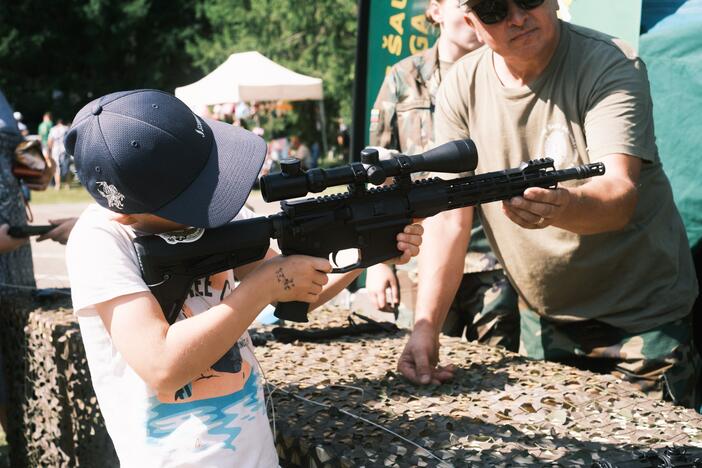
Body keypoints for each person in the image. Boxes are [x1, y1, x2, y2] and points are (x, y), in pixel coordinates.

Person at [64, 89, 424, 467]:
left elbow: (295, 294)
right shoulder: (100, 240)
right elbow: (162, 365)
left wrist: (371, 250)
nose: (213, 199)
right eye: (197, 196)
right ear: (126, 214)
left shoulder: (213, 216)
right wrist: (262, 286)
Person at [397, 0, 701, 410]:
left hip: (642, 324)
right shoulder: (460, 87)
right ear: (472, 21)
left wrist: (561, 207)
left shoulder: (609, 62)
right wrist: (426, 326)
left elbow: (619, 195)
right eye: (493, 9)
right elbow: (450, 219)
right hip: (543, 325)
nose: (517, 17)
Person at [367, 0, 519, 349]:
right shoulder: (404, 77)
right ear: (436, 11)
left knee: (498, 374)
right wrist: (378, 263)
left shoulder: (505, 74)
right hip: (422, 255)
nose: (473, 13)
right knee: (420, 365)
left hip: (492, 259)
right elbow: (376, 174)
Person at [47, 118, 69, 190]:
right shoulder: (66, 128)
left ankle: (58, 185)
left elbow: (50, 141)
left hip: (55, 149)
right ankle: (67, 185)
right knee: (66, 167)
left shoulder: (53, 129)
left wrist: (49, 151)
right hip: (64, 149)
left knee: (56, 167)